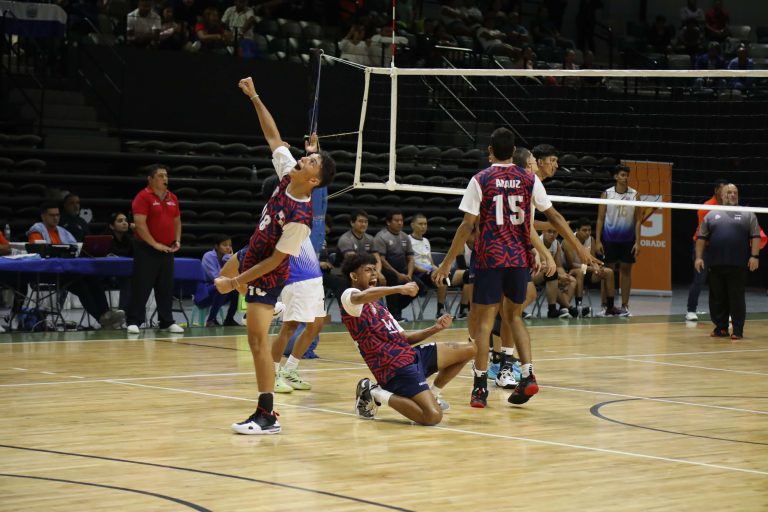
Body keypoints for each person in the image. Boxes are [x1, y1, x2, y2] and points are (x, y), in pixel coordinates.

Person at [432, 128, 598, 408]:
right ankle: (527, 373)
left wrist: (447, 263)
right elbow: (554, 216)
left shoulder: (480, 179)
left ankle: (480, 388)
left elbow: (467, 226)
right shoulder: (529, 178)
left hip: (490, 258)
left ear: (490, 151)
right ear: (514, 152)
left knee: (484, 324)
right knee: (515, 317)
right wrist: (580, 248)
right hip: (519, 259)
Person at [214, 76, 336, 435]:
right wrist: (255, 96)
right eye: (307, 156)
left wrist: (237, 281)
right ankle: (269, 306)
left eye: (311, 161)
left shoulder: (300, 217)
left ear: (314, 179)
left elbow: (276, 263)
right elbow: (273, 136)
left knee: (256, 343)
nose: (304, 158)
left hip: (265, 273)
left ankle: (266, 414)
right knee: (221, 285)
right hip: (252, 255)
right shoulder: (287, 175)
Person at [341, 253, 476, 425]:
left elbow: (404, 338)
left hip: (410, 356)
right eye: (368, 270)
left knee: (470, 349)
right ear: (354, 276)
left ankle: (433, 394)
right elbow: (360, 297)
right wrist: (399, 288)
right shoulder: (350, 297)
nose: (374, 273)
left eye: (375, 269)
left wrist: (435, 328)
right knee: (433, 417)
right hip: (393, 369)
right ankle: (374, 392)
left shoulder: (379, 306)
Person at [27, 203, 125, 330]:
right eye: (52, 215)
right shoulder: (36, 231)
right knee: (79, 284)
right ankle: (101, 318)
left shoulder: (63, 232)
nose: (55, 218)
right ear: (43, 216)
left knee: (92, 278)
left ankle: (106, 313)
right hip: (49, 273)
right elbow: (39, 251)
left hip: (67, 270)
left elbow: (76, 250)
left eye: (57, 215)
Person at [695, 184, 761, 340]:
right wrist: (698, 257)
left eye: (735, 192)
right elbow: (701, 238)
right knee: (717, 298)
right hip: (716, 263)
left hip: (738, 264)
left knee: (736, 298)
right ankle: (721, 328)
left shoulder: (748, 214)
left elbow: (756, 236)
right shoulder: (711, 215)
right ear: (721, 195)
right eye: (729, 192)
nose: (732, 195)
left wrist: (755, 256)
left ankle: (737, 330)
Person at [125, 165, 184, 335]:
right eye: (160, 176)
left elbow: (177, 221)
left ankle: (166, 321)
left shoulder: (172, 197)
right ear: (150, 179)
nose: (165, 178)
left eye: (166, 175)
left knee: (165, 286)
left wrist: (177, 240)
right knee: (142, 286)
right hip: (146, 248)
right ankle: (133, 321)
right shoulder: (143, 197)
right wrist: (154, 244)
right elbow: (140, 225)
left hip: (167, 249)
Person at [595, 164, 641, 317]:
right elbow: (600, 219)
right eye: (622, 175)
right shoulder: (607, 194)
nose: (625, 177)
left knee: (626, 271)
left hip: (627, 239)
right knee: (607, 272)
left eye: (627, 175)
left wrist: (638, 241)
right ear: (615, 177)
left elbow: (638, 220)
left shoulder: (635, 195)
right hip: (609, 238)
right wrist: (598, 241)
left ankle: (625, 306)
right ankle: (605, 306)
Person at [409, 213, 466, 318]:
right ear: (412, 225)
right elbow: (411, 263)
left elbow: (430, 262)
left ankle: (465, 308)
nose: (423, 227)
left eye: (425, 224)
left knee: (468, 275)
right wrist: (432, 269)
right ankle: (440, 309)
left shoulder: (426, 241)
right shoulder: (408, 240)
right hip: (419, 274)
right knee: (442, 276)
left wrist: (437, 267)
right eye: (420, 224)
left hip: (431, 271)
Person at [686, 179, 728, 321]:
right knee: (699, 279)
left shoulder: (729, 206)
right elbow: (705, 234)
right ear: (716, 190)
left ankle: (723, 312)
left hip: (719, 248)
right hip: (703, 246)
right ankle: (691, 310)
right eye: (724, 190)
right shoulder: (706, 208)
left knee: (722, 281)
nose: (726, 194)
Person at [562, 217, 617, 316]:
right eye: (584, 230)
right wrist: (591, 268)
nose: (587, 233)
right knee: (580, 272)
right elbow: (571, 265)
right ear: (577, 230)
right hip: (570, 272)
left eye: (589, 230)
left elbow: (592, 260)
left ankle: (610, 307)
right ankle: (579, 305)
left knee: (608, 272)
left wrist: (596, 267)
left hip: (586, 271)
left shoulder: (591, 239)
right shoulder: (568, 241)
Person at [374, 210, 422, 322]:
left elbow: (410, 258)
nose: (400, 223)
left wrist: (409, 274)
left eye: (401, 220)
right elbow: (381, 259)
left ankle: (394, 309)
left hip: (404, 271)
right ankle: (395, 314)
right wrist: (398, 274)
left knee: (419, 286)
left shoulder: (405, 237)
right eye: (396, 220)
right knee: (393, 279)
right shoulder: (381, 237)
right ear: (388, 222)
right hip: (388, 270)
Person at [534, 226, 577, 318]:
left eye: (555, 232)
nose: (552, 235)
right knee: (551, 274)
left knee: (571, 280)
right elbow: (543, 265)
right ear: (543, 231)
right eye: (549, 231)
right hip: (533, 274)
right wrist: (559, 276)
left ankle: (563, 309)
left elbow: (559, 266)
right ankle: (565, 308)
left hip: (550, 275)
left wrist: (564, 276)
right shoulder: (537, 242)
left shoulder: (556, 243)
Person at [198, 234, 239, 327]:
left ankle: (229, 319)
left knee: (236, 288)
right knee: (221, 285)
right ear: (216, 246)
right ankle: (211, 320)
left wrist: (232, 261)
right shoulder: (208, 256)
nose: (228, 248)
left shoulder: (230, 257)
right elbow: (216, 278)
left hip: (219, 290)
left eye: (230, 245)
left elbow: (235, 275)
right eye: (225, 245)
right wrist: (226, 263)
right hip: (204, 291)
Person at [105, 211, 133, 311]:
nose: (125, 223)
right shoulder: (105, 239)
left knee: (133, 278)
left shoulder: (129, 239)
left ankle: (133, 315)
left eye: (126, 220)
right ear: (112, 226)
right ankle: (123, 312)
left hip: (123, 273)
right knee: (127, 279)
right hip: (107, 274)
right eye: (120, 221)